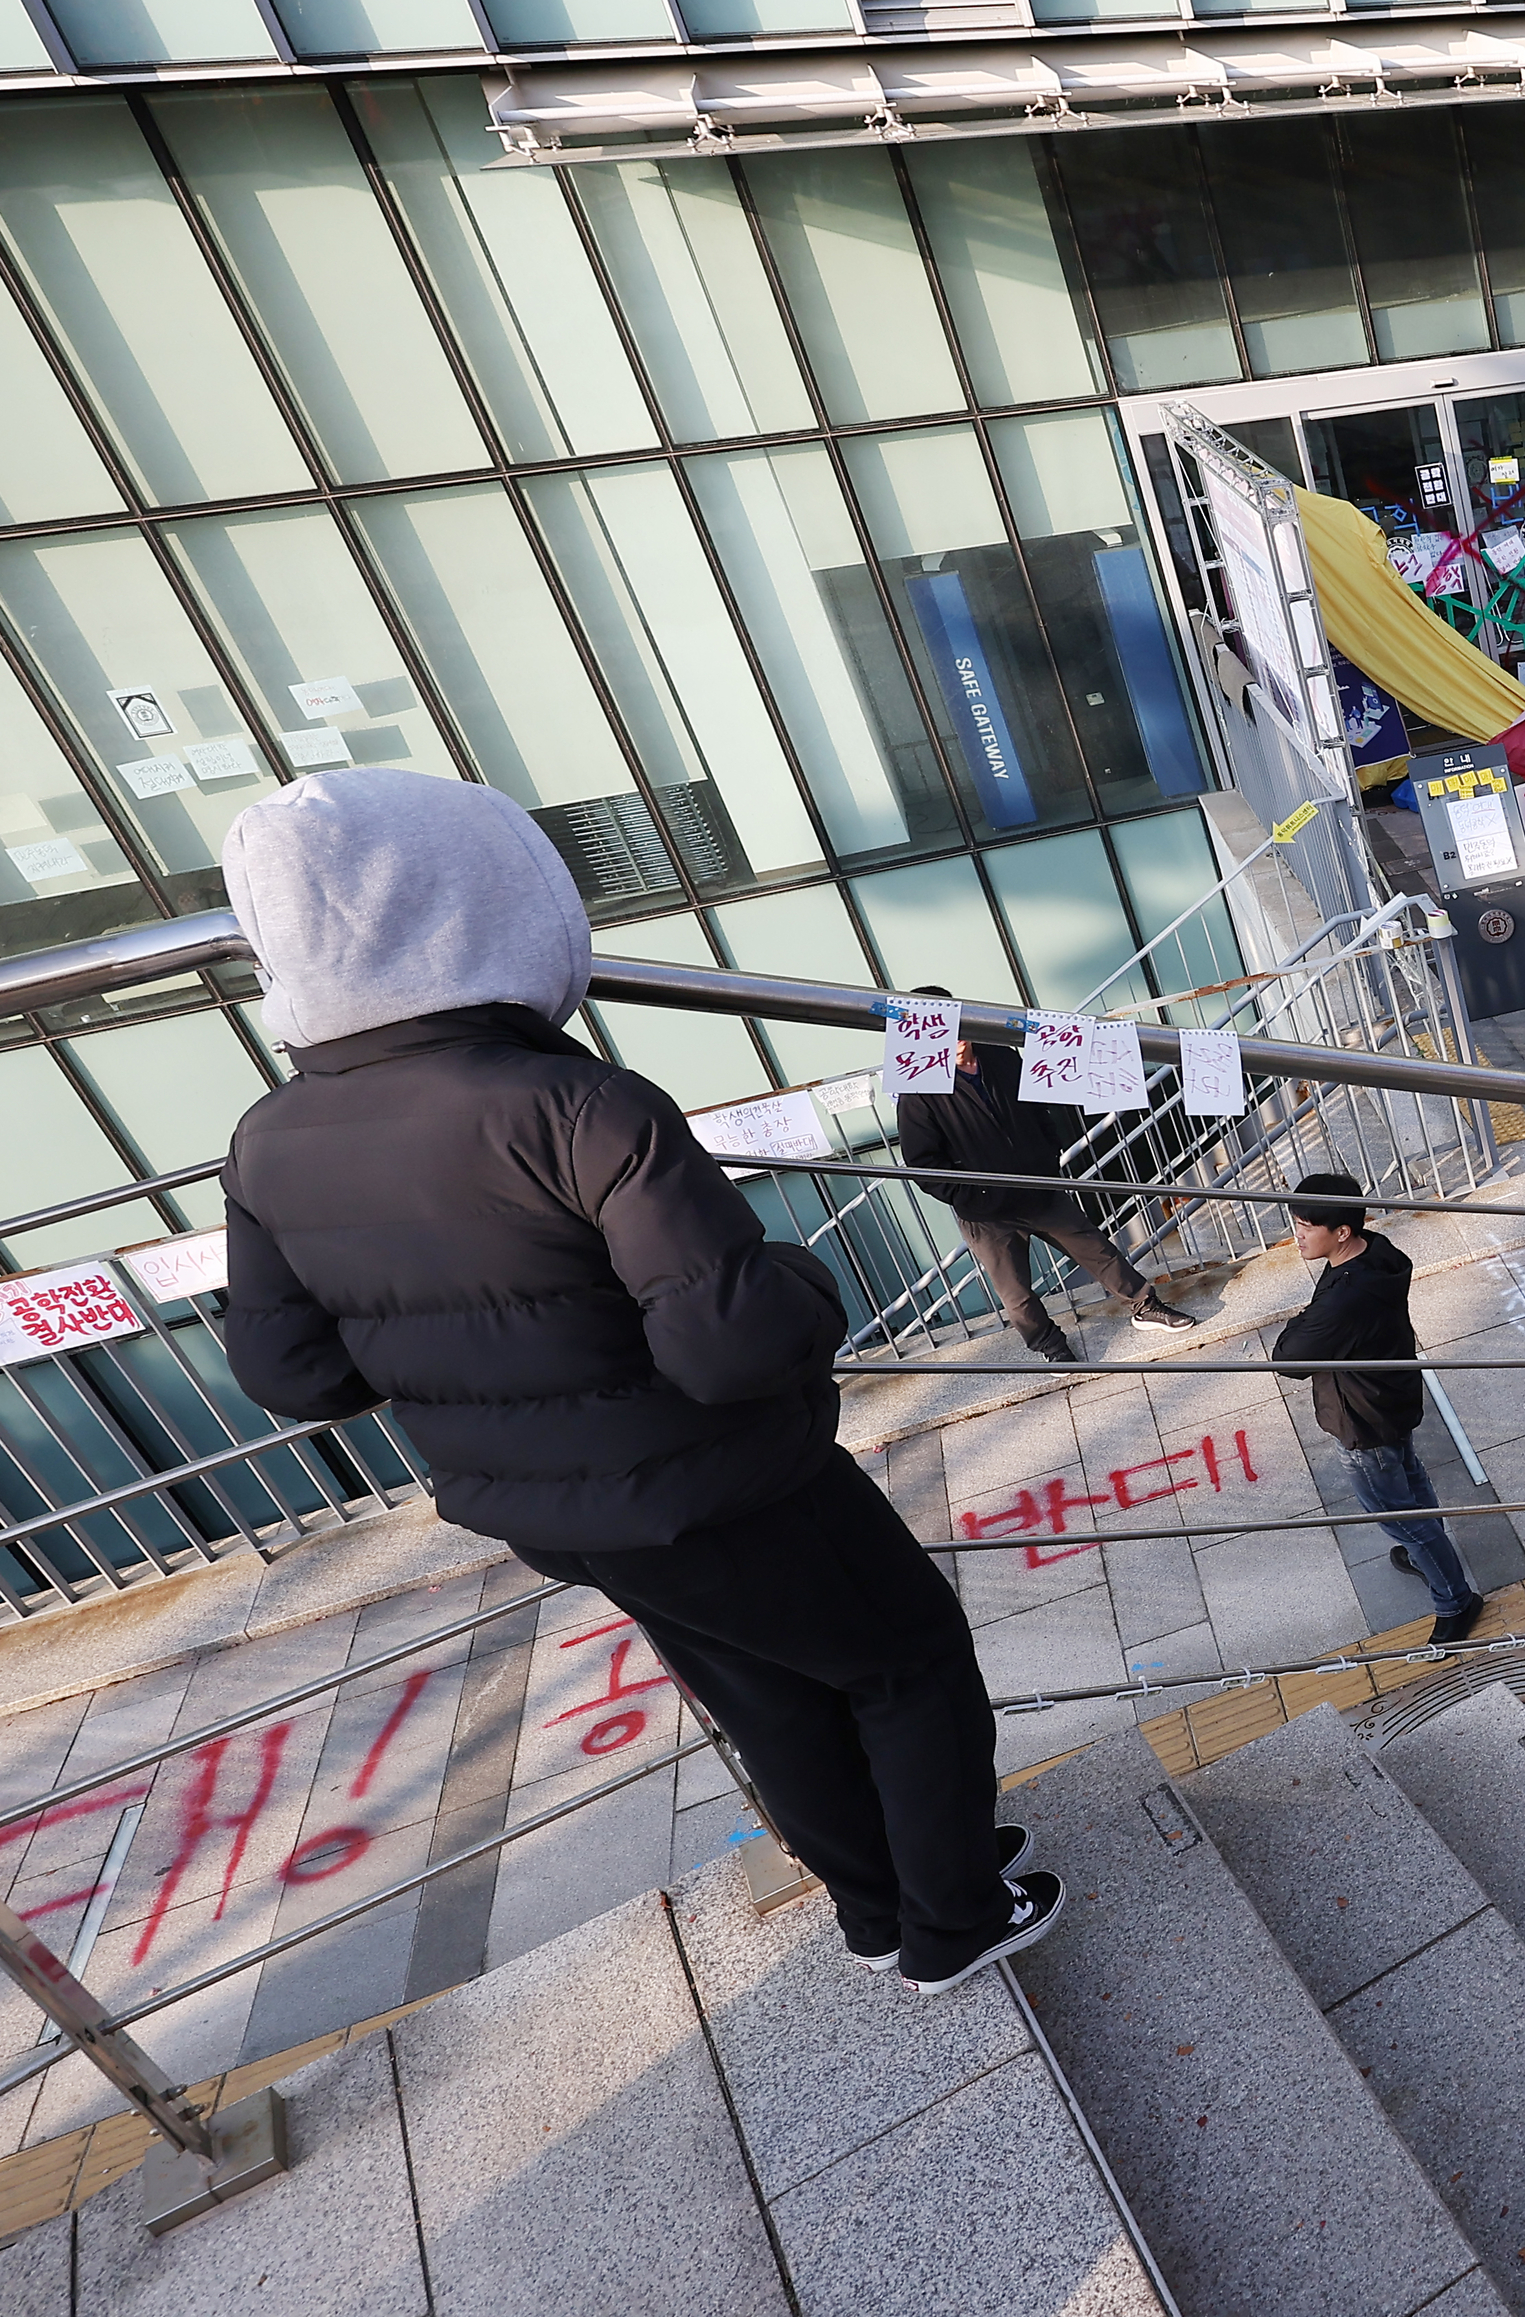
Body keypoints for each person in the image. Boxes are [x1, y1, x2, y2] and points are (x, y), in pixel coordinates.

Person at [216, 770, 1055, 1994]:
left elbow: (295, 1374)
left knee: (770, 1701)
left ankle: (883, 1907)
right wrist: (799, 1276)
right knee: (906, 1665)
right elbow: (733, 1345)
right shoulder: (577, 1104)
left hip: (557, 1514)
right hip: (736, 1483)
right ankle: (956, 1917)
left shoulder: (267, 1138)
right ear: (492, 905)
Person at [892, 984, 1197, 1364]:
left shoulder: (1000, 1055)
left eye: (953, 1025)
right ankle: (1050, 1347)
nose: (951, 1039)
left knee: (1097, 1250)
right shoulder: (917, 1089)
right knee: (1016, 1292)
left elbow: (1038, 1109)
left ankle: (1145, 1306)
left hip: (1038, 1188)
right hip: (986, 1213)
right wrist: (973, 1195)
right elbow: (923, 1165)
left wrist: (1045, 1162)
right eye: (934, 1030)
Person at [1274, 1171, 1488, 1646]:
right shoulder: (1379, 1251)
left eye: (1307, 1227)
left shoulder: (1343, 1300)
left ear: (1342, 1232)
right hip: (1390, 1399)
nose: (1298, 1235)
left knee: (1395, 1513)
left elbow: (1288, 1361)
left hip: (1362, 1420)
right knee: (1410, 1481)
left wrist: (1302, 1321)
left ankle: (1454, 1599)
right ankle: (1426, 1551)